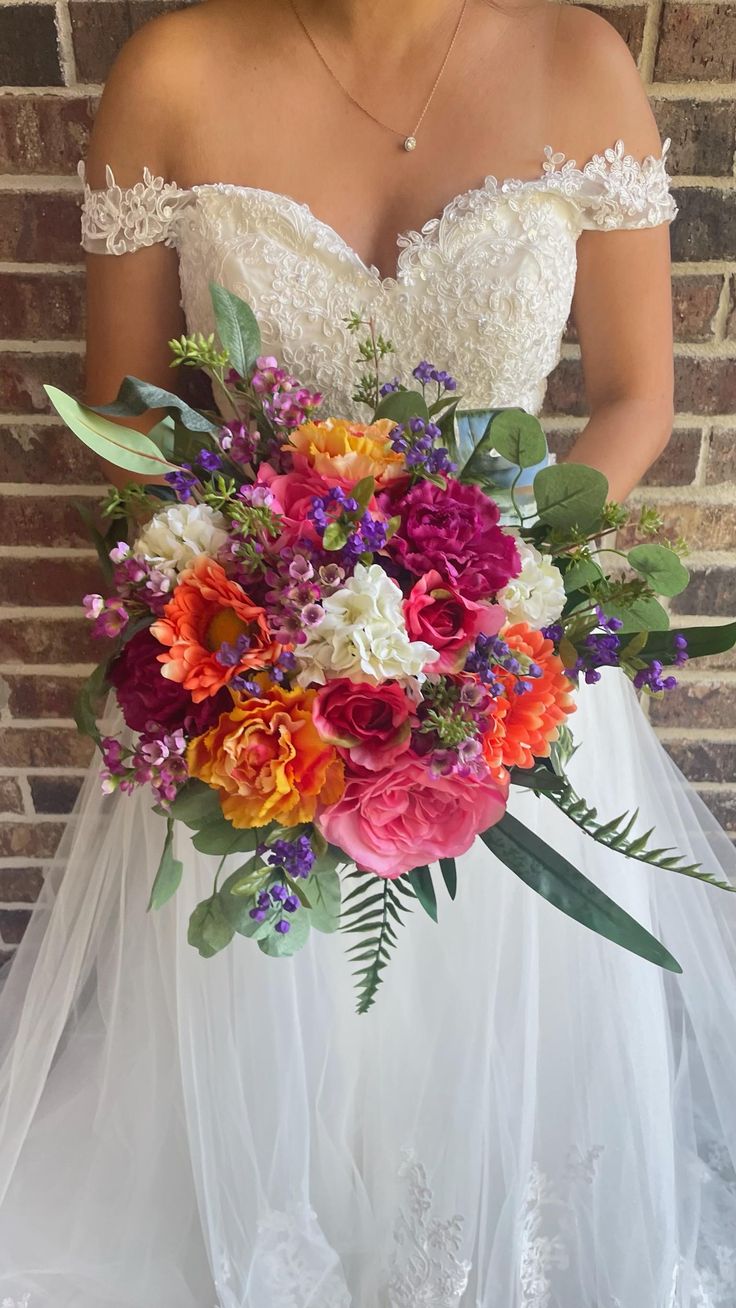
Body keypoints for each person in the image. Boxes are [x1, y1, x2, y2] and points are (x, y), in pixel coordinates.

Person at [1, 1, 735, 1304]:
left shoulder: (578, 61)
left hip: (503, 662)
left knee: (501, 1069)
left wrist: (502, 592)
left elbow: (636, 395)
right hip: (258, 678)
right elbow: (126, 414)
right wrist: (261, 606)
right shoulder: (172, 69)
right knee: (277, 1040)